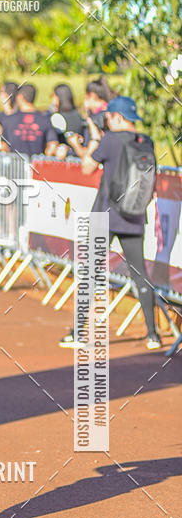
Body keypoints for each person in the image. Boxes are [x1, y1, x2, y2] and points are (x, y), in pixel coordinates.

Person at [59, 96, 161, 351]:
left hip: (105, 214)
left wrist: (94, 137)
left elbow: (86, 167)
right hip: (135, 215)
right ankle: (153, 334)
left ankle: (76, 332)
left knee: (91, 273)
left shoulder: (110, 140)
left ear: (116, 117)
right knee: (141, 275)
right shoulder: (145, 141)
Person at [0, 84, 58, 157]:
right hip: (36, 166)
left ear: (20, 97)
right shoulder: (45, 120)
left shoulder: (9, 120)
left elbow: (4, 147)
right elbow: (52, 145)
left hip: (14, 166)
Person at [46, 83, 86, 159]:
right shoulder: (78, 114)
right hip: (77, 156)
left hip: (63, 157)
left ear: (58, 97)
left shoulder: (57, 117)